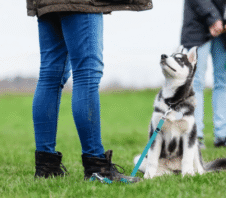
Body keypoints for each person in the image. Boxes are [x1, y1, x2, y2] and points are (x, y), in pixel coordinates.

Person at [26, 0, 153, 182]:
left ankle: (46, 167)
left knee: (50, 74)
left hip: (45, 3)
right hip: (79, 2)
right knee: (86, 74)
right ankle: (97, 168)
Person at [180, 0, 226, 149]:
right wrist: (213, 18)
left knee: (223, 81)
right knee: (196, 81)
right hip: (197, 26)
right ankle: (195, 136)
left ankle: (222, 137)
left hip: (225, 31)